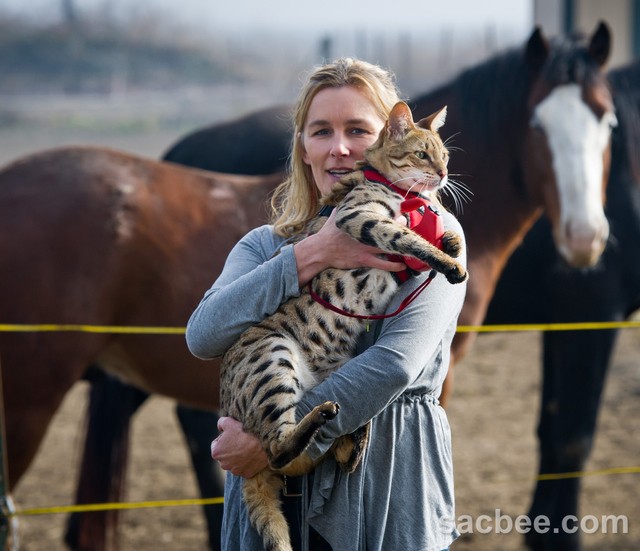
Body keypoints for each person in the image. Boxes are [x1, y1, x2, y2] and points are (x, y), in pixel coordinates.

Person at [186, 57, 466, 551]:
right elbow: (203, 335)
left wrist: (272, 447)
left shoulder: (435, 237)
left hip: (382, 485)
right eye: (321, 132)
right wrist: (309, 254)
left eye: (358, 129)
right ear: (303, 147)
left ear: (388, 140)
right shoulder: (262, 245)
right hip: (267, 487)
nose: (338, 148)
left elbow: (395, 365)